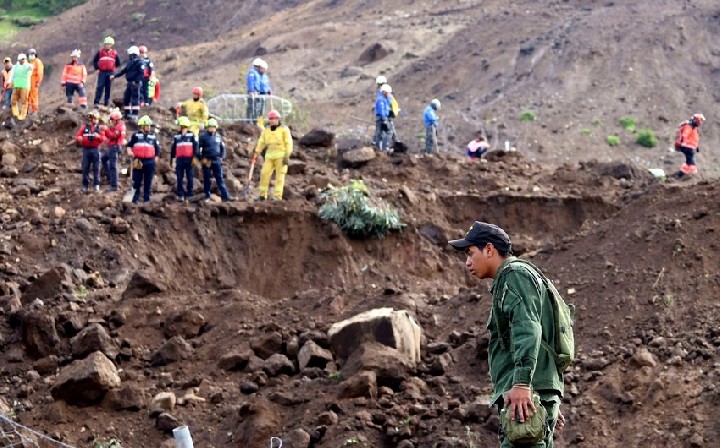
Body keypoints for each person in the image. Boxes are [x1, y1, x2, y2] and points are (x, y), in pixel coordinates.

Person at [449, 222, 565, 448]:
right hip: (531, 396)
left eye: (470, 253)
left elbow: (528, 329)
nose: (467, 262)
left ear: (489, 249)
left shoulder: (514, 275)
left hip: (525, 397)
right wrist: (542, 397)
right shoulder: (519, 276)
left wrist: (523, 384)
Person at [253, 109, 293, 201]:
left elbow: (288, 142)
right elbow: (261, 141)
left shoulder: (284, 129)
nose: (272, 121)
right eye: (270, 119)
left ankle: (278, 196)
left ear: (278, 119)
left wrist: (287, 155)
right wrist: (257, 151)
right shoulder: (266, 130)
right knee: (264, 173)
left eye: (274, 119)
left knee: (280, 176)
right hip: (269, 155)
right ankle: (262, 195)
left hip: (281, 155)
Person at [126, 115, 160, 203]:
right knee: (136, 180)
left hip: (150, 161)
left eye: (149, 125)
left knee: (148, 181)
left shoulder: (153, 136)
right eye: (147, 125)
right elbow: (129, 145)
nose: (149, 127)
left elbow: (157, 149)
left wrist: (156, 158)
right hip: (137, 160)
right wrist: (129, 152)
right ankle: (134, 199)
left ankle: (146, 200)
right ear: (142, 126)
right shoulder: (135, 135)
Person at [198, 118, 234, 202]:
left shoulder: (218, 136)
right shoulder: (203, 136)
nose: (212, 128)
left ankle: (225, 196)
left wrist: (222, 157)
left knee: (219, 178)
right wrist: (201, 158)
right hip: (207, 160)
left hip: (216, 160)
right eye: (210, 127)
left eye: (213, 127)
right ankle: (207, 196)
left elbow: (223, 148)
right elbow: (197, 148)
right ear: (207, 127)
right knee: (207, 178)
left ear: (216, 127)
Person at [75, 110, 105, 193]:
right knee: (85, 167)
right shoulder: (84, 127)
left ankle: (96, 185)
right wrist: (79, 139)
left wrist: (98, 137)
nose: (96, 120)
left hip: (96, 149)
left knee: (96, 167)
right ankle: (85, 186)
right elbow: (77, 136)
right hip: (86, 149)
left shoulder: (100, 128)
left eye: (96, 118)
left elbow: (103, 139)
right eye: (94, 118)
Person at [111, 46, 143, 121]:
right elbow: (124, 70)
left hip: (135, 83)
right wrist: (115, 76)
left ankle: (135, 115)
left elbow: (141, 74)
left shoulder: (139, 63)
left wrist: (136, 82)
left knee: (135, 99)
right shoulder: (130, 62)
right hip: (130, 83)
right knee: (127, 98)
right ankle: (127, 114)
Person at [170, 116, 199, 202]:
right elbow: (173, 149)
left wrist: (195, 157)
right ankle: (180, 194)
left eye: (179, 125)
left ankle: (190, 193)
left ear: (183, 126)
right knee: (179, 178)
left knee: (190, 177)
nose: (178, 127)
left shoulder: (191, 135)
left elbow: (196, 147)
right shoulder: (176, 136)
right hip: (180, 160)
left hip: (189, 160)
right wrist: (172, 160)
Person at [674, 113, 705, 179]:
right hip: (688, 146)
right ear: (697, 120)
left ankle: (680, 175)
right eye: (700, 121)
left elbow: (693, 138)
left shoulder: (693, 127)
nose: (700, 123)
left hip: (691, 147)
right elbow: (684, 135)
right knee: (691, 162)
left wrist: (696, 147)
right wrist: (684, 144)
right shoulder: (689, 126)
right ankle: (693, 176)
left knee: (688, 162)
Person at [101, 109, 126, 192]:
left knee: (113, 166)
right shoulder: (119, 125)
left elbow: (113, 136)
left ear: (116, 119)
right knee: (103, 159)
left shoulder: (119, 127)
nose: (111, 121)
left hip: (114, 147)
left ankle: (114, 185)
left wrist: (106, 130)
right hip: (112, 147)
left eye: (112, 120)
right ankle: (110, 178)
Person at [93, 36, 121, 108]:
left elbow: (118, 63)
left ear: (111, 45)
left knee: (108, 88)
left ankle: (107, 103)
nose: (107, 46)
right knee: (100, 87)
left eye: (108, 44)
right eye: (106, 44)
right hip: (102, 72)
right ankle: (96, 102)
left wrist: (113, 69)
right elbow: (95, 61)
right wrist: (97, 68)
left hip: (110, 73)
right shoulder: (100, 52)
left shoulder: (114, 53)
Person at [9, 53, 32, 121]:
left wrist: (28, 67)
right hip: (16, 85)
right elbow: (12, 75)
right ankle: (16, 114)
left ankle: (22, 116)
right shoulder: (15, 66)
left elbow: (30, 69)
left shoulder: (28, 66)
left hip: (25, 86)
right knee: (13, 101)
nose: (21, 61)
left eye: (22, 59)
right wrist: (9, 81)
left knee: (24, 102)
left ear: (25, 59)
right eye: (20, 60)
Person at [374, 84, 392, 152]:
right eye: (388, 93)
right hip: (381, 117)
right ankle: (384, 147)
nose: (389, 94)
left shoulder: (384, 99)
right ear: (384, 92)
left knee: (379, 132)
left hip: (381, 117)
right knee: (388, 131)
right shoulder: (381, 99)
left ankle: (378, 147)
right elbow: (382, 109)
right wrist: (384, 118)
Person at [27, 48, 43, 114]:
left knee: (34, 95)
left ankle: (34, 110)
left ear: (35, 54)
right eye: (30, 54)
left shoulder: (38, 62)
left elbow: (40, 72)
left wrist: (38, 81)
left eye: (32, 54)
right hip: (28, 81)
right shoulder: (28, 62)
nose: (31, 55)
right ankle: (27, 110)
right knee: (27, 95)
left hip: (34, 81)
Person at [372, 75, 387, 148]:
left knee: (379, 130)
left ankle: (377, 144)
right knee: (382, 130)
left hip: (380, 114)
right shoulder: (383, 93)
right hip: (381, 114)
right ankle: (381, 146)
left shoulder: (381, 92)